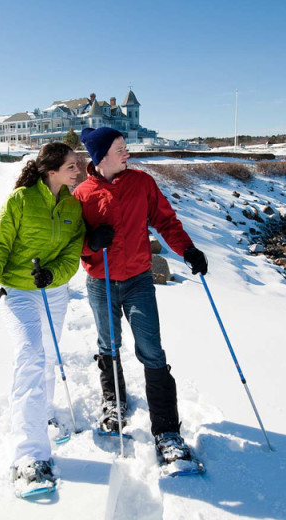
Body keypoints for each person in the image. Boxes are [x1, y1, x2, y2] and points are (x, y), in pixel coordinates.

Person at [73, 127, 208, 464]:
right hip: (100, 282)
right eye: (120, 148)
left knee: (152, 350)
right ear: (101, 156)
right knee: (109, 344)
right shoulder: (82, 195)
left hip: (138, 280)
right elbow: (73, 243)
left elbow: (165, 219)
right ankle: (114, 401)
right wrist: (92, 243)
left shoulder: (142, 183)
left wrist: (188, 250)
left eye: (126, 147)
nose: (127, 153)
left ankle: (166, 431)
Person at [0, 142, 85, 491]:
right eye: (71, 165)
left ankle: (45, 414)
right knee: (30, 357)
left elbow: (73, 252)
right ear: (50, 170)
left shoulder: (73, 205)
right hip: (18, 291)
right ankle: (29, 456)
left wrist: (53, 275)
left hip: (52, 291)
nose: (77, 170)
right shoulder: (21, 200)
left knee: (50, 356)